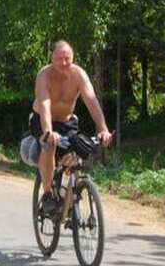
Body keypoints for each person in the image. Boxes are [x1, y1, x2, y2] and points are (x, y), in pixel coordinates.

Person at [31, 40, 112, 214]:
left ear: (73, 58)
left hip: (67, 122)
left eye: (67, 58)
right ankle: (47, 196)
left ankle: (68, 193)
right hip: (42, 120)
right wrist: (48, 132)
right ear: (52, 57)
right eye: (59, 58)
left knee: (77, 150)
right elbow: (44, 105)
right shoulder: (44, 75)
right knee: (49, 145)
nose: (63, 63)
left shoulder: (79, 75)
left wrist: (103, 129)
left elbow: (92, 101)